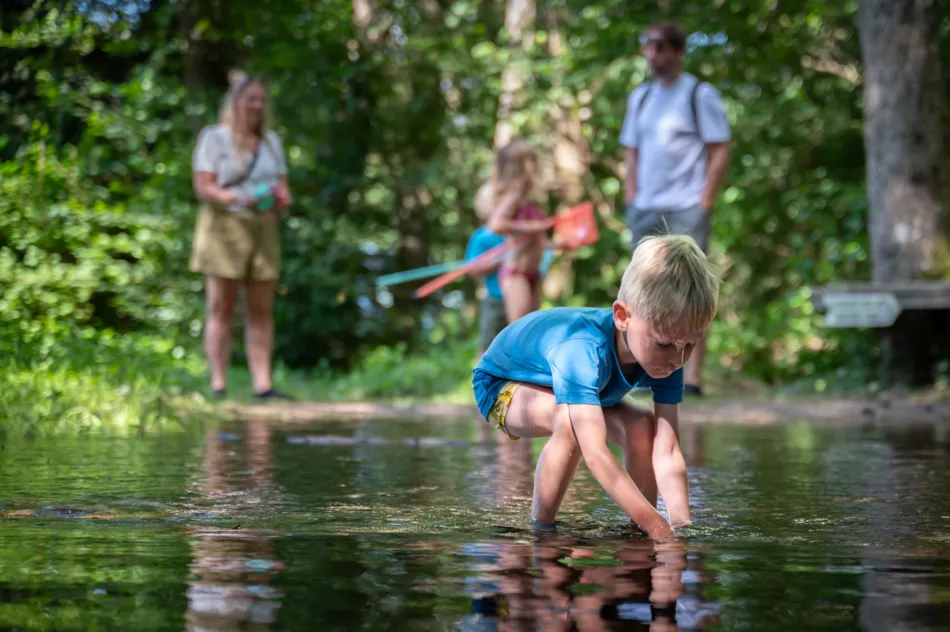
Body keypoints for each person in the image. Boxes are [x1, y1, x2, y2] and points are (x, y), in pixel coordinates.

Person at [472, 235, 719, 539]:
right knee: (571, 424)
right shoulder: (584, 350)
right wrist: (658, 526)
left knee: (643, 427)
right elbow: (595, 454)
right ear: (622, 317)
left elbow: (667, 450)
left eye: (690, 345)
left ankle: (636, 533)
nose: (678, 359)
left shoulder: (670, 352)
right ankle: (543, 532)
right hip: (501, 384)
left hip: (575, 388)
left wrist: (679, 525)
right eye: (666, 344)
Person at [619, 21, 730, 397]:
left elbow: (719, 150)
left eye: (661, 47)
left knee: (695, 288)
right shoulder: (641, 98)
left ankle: (692, 377)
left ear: (679, 52)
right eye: (648, 46)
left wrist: (704, 202)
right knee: (641, 290)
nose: (653, 54)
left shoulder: (700, 94)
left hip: (686, 207)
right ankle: (639, 370)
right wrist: (632, 198)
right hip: (645, 207)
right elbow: (630, 153)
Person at [190, 71, 293, 400]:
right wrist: (236, 198)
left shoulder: (271, 142)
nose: (257, 106)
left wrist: (280, 200)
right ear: (235, 102)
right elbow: (204, 186)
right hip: (225, 227)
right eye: (251, 99)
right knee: (221, 306)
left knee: (261, 309)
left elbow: (285, 190)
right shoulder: (214, 138)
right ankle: (218, 384)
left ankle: (263, 385)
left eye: (262, 100)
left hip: (264, 228)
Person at [476, 140, 550, 324]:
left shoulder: (527, 199)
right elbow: (496, 224)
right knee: (520, 329)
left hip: (533, 270)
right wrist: (531, 227)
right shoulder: (513, 195)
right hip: (516, 271)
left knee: (533, 327)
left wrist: (562, 243)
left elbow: (537, 242)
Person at [464, 225, 506, 361]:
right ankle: (480, 381)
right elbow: (473, 270)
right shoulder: (482, 236)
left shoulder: (521, 230)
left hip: (521, 300)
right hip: (495, 298)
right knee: (487, 346)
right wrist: (499, 261)